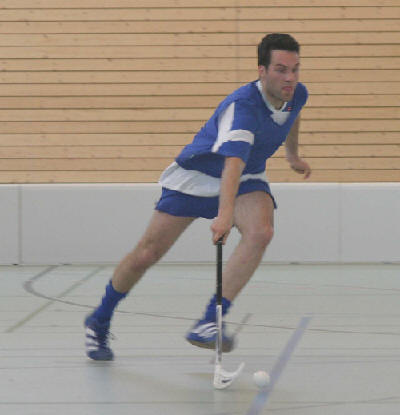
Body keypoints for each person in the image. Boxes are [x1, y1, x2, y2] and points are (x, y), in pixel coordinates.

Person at [84, 33, 311, 361]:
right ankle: (99, 319)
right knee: (147, 254)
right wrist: (224, 215)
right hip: (198, 175)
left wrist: (292, 155)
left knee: (261, 232)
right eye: (280, 70)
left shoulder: (296, 94)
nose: (290, 78)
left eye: (295, 69)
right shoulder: (243, 107)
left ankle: (209, 320)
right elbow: (231, 164)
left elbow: (293, 114)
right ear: (262, 71)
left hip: (246, 177)